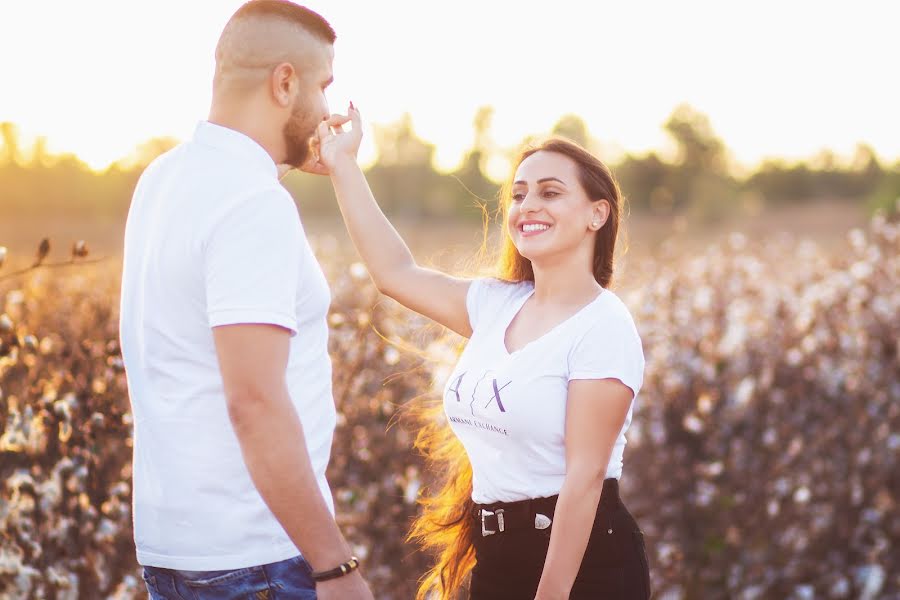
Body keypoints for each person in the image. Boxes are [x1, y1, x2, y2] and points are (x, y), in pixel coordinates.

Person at [306, 105, 651, 599]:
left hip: (583, 564)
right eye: (518, 193)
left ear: (599, 213)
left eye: (550, 192)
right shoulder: (497, 304)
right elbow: (394, 274)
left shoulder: (604, 326)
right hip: (497, 557)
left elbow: (585, 478)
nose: (528, 205)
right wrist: (344, 166)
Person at [118, 2, 373, 598]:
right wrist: (335, 565)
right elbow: (254, 401)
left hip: (176, 547)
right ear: (285, 82)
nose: (329, 109)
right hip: (257, 557)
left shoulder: (164, 178)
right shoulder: (252, 205)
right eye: (323, 85)